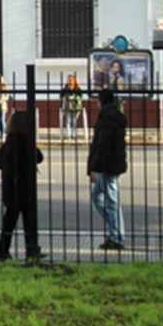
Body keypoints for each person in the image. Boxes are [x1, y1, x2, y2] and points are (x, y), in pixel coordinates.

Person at [0, 111, 44, 262]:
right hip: (25, 187)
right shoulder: (26, 141)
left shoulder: (8, 142)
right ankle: (31, 249)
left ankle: (3, 251)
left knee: (9, 222)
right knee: (29, 222)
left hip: (10, 186)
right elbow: (39, 157)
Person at [87, 88, 128, 251]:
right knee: (98, 196)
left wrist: (95, 168)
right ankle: (115, 230)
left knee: (111, 201)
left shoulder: (107, 121)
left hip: (109, 167)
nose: (96, 104)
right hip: (112, 164)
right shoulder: (112, 117)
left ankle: (117, 237)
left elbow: (102, 147)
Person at [60, 74, 83, 139]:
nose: (67, 81)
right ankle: (68, 134)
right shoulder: (65, 88)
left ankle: (74, 133)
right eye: (67, 80)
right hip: (68, 106)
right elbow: (61, 96)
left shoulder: (77, 88)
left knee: (75, 120)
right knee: (68, 120)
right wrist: (65, 97)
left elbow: (81, 96)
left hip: (75, 106)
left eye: (69, 79)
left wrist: (74, 97)